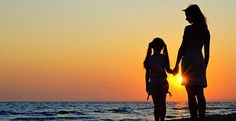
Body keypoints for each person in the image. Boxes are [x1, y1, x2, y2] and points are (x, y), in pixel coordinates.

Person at [173, 4, 210, 121]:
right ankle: (202, 118)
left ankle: (194, 118)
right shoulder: (205, 31)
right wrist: (205, 67)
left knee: (190, 95)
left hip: (188, 61)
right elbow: (207, 53)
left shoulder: (188, 29)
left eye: (187, 16)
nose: (186, 18)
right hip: (199, 61)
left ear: (192, 15)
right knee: (200, 93)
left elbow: (182, 48)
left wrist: (176, 64)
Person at [144, 38, 173, 121]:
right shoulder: (164, 58)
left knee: (156, 105)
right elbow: (168, 70)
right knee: (162, 104)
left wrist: (147, 84)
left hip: (153, 83)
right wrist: (174, 71)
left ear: (152, 47)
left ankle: (157, 120)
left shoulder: (149, 58)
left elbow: (147, 74)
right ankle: (162, 120)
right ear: (161, 48)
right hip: (162, 83)